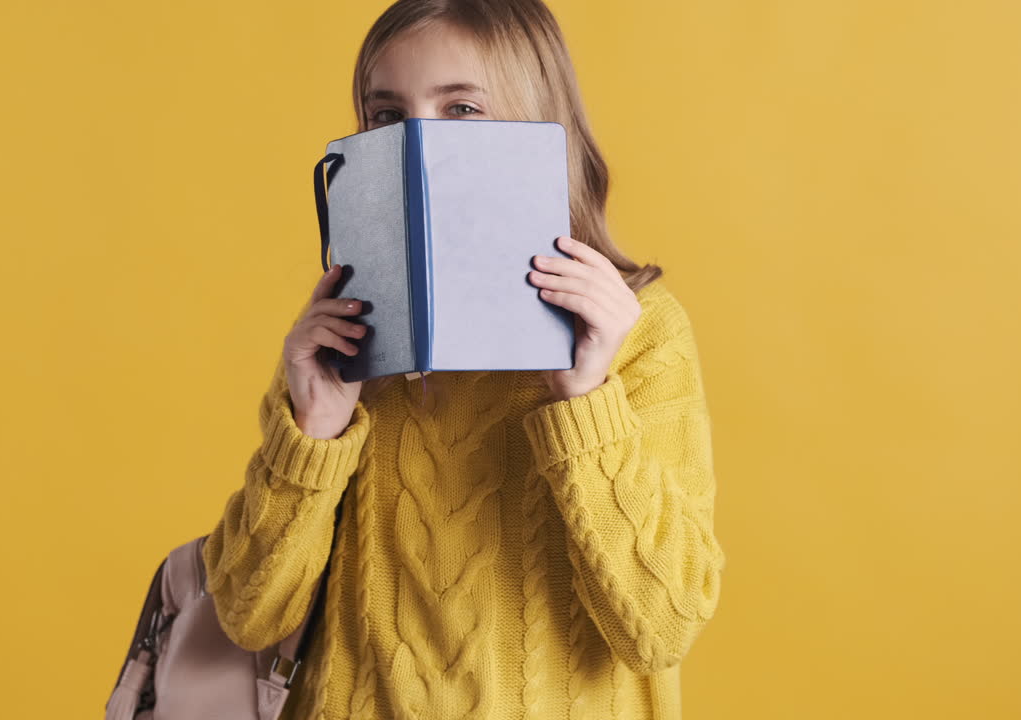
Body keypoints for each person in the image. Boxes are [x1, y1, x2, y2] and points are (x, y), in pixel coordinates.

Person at [201, 1, 725, 718]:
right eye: (386, 116)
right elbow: (246, 614)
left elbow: (661, 627)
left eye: (464, 108)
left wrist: (586, 402)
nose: (420, 142)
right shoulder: (344, 341)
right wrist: (313, 435)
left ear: (539, 125)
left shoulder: (643, 334)